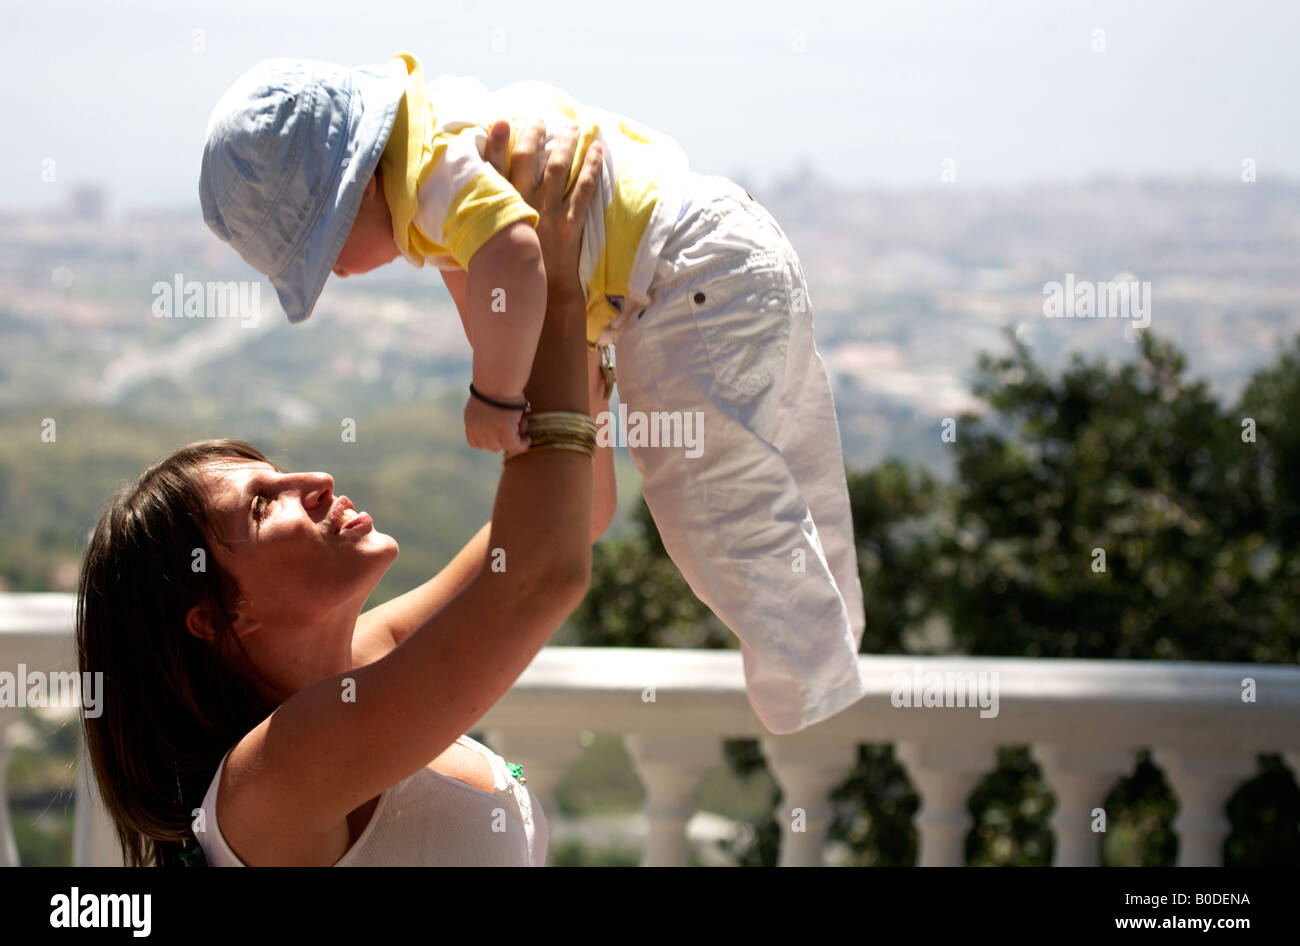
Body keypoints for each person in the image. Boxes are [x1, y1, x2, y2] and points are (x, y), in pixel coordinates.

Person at [199, 50, 866, 735]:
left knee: (711, 498)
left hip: (681, 283)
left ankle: (814, 696)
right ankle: (839, 636)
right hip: (731, 247)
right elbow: (586, 505)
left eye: (324, 250)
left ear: (361, 186)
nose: (335, 272)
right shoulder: (449, 134)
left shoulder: (432, 176)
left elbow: (519, 253)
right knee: (792, 450)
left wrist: (491, 394)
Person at [75, 122, 608, 866]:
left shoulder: (364, 664)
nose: (316, 482)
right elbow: (542, 575)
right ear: (211, 617)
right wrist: (553, 288)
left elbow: (576, 517)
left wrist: (482, 252)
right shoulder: (270, 778)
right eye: (264, 505)